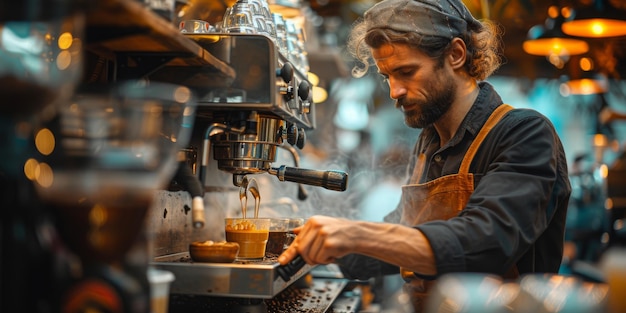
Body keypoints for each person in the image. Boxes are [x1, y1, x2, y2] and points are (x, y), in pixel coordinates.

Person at [278, 0, 571, 311]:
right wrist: (320, 245)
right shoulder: (427, 144)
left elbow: (486, 243)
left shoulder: (524, 133)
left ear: (456, 54)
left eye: (406, 72)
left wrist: (356, 234)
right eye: (387, 76)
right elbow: (405, 234)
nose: (394, 91)